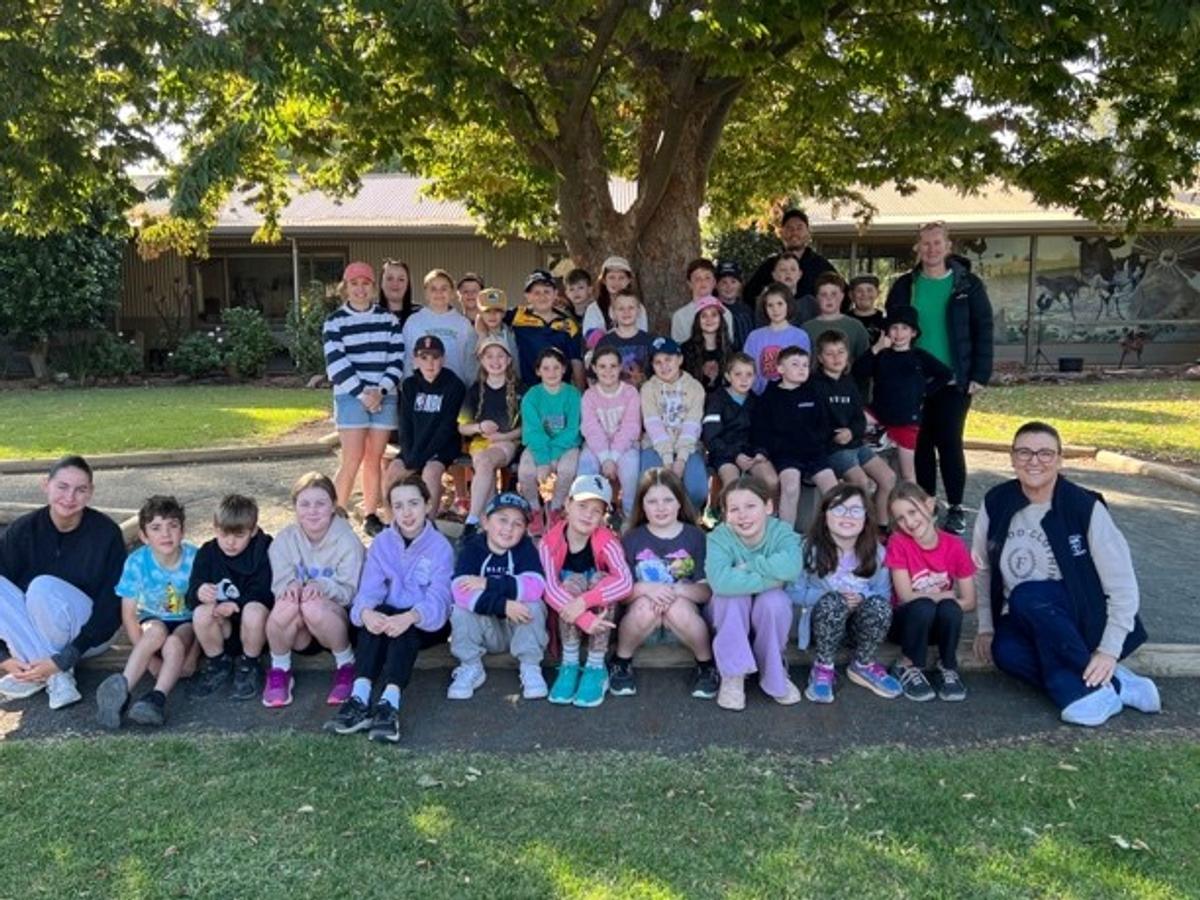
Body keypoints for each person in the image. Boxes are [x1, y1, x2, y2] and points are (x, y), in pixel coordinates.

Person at [970, 421, 1159, 727]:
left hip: (1080, 618)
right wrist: (986, 627)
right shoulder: (996, 502)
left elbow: (1123, 585)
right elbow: (982, 568)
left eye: (1045, 453)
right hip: (1024, 617)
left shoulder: (1084, 507)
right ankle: (1116, 685)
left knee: (1028, 595)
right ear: (1012, 458)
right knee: (1005, 652)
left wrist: (1108, 651)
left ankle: (1090, 688)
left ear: (1060, 460)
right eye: (1024, 452)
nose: (1034, 461)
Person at [326, 475, 453, 742]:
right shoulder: (382, 542)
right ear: (390, 510)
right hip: (388, 619)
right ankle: (360, 697)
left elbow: (440, 599)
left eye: (413, 503)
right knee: (376, 615)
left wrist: (412, 616)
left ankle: (390, 702)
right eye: (398, 506)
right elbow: (368, 590)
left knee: (401, 622)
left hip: (426, 622)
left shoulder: (440, 547)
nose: (406, 513)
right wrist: (365, 612)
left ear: (428, 505)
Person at [886, 221, 994, 535]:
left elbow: (983, 328)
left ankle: (956, 506)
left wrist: (979, 374)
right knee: (920, 443)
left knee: (949, 441)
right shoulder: (905, 285)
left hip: (953, 379)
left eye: (937, 243)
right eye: (925, 243)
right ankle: (927, 504)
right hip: (915, 380)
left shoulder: (967, 285)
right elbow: (892, 327)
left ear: (948, 247)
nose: (931, 249)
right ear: (917, 248)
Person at [0, 455, 125, 709]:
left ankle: (51, 672)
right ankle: (53, 677)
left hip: (90, 636)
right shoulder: (23, 531)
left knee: (42, 587)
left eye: (80, 489)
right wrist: (3, 657)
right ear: (46, 485)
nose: (70, 497)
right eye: (62, 487)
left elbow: (111, 606)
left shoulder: (106, 534)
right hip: (36, 630)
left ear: (91, 492)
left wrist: (67, 656)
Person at [790, 485, 901, 704]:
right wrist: (828, 594)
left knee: (879, 606)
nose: (847, 516)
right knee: (833, 601)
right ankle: (823, 667)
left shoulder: (876, 552)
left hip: (857, 628)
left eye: (855, 510)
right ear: (825, 516)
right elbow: (792, 592)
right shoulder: (807, 548)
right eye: (838, 509)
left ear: (866, 518)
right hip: (820, 625)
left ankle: (863, 664)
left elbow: (884, 594)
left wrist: (862, 597)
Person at [262, 472, 365, 709]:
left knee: (313, 604)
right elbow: (279, 584)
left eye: (320, 503)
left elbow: (349, 591)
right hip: (298, 630)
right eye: (305, 504)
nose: (313, 511)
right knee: (285, 603)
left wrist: (322, 586)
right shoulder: (284, 541)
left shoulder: (347, 541)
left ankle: (346, 664)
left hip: (333, 621)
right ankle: (280, 669)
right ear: (295, 507)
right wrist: (291, 586)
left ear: (333, 506)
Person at [612, 469, 717, 699]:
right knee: (645, 606)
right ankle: (621, 662)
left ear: (680, 502)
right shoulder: (631, 539)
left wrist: (675, 591)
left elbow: (706, 590)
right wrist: (648, 589)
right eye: (652, 501)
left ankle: (706, 665)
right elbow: (621, 593)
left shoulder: (696, 537)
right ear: (642, 506)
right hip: (641, 625)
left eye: (668, 500)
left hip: (684, 625)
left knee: (677, 606)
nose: (661, 507)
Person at [95, 496, 199, 728]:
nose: (166, 534)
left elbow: (204, 611)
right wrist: (151, 663)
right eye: (156, 528)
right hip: (152, 618)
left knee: (174, 644)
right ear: (143, 536)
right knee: (155, 632)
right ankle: (122, 690)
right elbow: (129, 615)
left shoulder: (195, 558)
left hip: (185, 621)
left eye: (173, 526)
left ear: (182, 531)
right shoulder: (137, 562)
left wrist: (192, 657)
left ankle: (156, 699)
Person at [705, 475, 802, 711]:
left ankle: (774, 671)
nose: (743, 515)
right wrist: (772, 578)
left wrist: (749, 566)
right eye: (734, 509)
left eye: (750, 506)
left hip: (765, 610)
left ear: (768, 506)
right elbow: (720, 582)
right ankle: (733, 675)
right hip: (729, 611)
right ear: (726, 515)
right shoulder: (719, 537)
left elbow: (792, 567)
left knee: (775, 601)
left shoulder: (781, 532)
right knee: (731, 598)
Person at [323, 261, 405, 530]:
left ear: (373, 287)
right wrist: (362, 394)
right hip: (351, 395)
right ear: (345, 287)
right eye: (354, 284)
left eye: (365, 283)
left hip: (384, 395)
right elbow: (336, 364)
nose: (360, 289)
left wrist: (380, 391)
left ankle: (370, 514)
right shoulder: (335, 321)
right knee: (352, 458)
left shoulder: (388, 320)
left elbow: (397, 360)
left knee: (374, 458)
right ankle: (334, 516)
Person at [539, 475, 632, 708]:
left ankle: (595, 666)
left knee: (602, 580)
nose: (588, 515)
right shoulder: (549, 542)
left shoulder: (607, 541)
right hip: (568, 615)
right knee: (570, 584)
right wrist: (581, 616)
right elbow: (548, 588)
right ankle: (570, 663)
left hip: (601, 615)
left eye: (596, 510)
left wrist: (585, 602)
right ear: (568, 504)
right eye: (582, 505)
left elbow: (625, 582)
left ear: (603, 517)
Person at [448, 492, 549, 701]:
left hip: (518, 627)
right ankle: (470, 665)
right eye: (502, 520)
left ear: (525, 530)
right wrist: (503, 605)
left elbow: (536, 586)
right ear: (485, 522)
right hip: (486, 631)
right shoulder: (473, 547)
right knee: (459, 609)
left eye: (517, 524)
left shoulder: (525, 548)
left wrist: (488, 584)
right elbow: (460, 590)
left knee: (533, 604)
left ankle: (530, 665)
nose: (508, 528)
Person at [885, 482, 975, 702]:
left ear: (929, 504)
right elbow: (906, 597)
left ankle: (948, 667)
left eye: (912, 512)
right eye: (900, 518)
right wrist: (944, 596)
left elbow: (969, 601)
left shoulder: (954, 545)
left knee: (949, 609)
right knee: (924, 606)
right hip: (905, 624)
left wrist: (948, 602)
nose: (909, 522)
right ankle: (907, 665)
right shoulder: (898, 542)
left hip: (936, 626)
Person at [186, 494, 275, 701]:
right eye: (224, 534)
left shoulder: (263, 550)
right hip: (222, 628)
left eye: (239, 535)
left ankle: (250, 664)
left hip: (256, 630)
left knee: (254, 611)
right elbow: (190, 595)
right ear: (215, 528)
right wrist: (199, 591)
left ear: (253, 531)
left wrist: (235, 605)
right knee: (201, 613)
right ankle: (217, 662)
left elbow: (265, 591)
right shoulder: (207, 552)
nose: (230, 542)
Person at [851, 307, 953, 484]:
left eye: (905, 328)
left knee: (907, 474)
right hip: (879, 414)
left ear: (913, 333)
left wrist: (923, 392)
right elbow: (858, 371)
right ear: (887, 331)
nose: (899, 333)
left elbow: (945, 374)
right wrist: (877, 348)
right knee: (853, 422)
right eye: (894, 328)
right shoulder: (881, 355)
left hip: (906, 420)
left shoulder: (919, 356)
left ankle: (910, 500)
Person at [811, 331, 896, 527]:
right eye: (830, 353)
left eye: (841, 352)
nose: (836, 358)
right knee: (861, 482)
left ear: (847, 355)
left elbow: (859, 418)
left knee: (888, 478)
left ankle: (881, 526)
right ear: (820, 358)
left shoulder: (849, 382)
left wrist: (852, 432)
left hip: (855, 443)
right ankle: (858, 527)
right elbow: (814, 422)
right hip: (833, 448)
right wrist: (834, 436)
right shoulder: (814, 385)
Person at [752, 347, 838, 527]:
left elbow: (825, 423)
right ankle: (786, 535)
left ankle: (833, 534)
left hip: (814, 452)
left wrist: (821, 444)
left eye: (805, 365)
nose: (801, 369)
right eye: (795, 364)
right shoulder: (769, 397)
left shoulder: (814, 392)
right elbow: (761, 429)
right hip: (786, 454)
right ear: (780, 369)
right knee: (790, 487)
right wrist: (762, 451)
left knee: (833, 490)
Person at [386, 335, 467, 517]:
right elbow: (405, 424)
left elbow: (446, 428)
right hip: (414, 446)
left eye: (435, 357)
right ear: (415, 359)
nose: (430, 363)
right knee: (393, 471)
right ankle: (392, 523)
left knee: (430, 472)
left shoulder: (454, 385)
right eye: (424, 357)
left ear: (443, 359)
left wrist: (419, 460)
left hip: (442, 446)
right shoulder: (410, 385)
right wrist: (409, 456)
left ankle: (427, 523)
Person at [458, 337, 524, 543]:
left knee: (485, 462)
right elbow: (462, 426)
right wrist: (479, 427)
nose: (495, 361)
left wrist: (504, 436)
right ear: (481, 360)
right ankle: (489, 529)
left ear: (509, 359)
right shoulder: (476, 390)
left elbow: (526, 427)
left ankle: (472, 521)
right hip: (480, 443)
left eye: (500, 356)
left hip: (507, 442)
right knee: (483, 465)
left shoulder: (520, 389)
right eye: (489, 356)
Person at [518, 347, 582, 536]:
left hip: (567, 445)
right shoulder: (532, 396)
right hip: (538, 446)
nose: (551, 373)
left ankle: (556, 508)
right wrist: (543, 460)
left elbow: (572, 429)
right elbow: (533, 431)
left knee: (567, 469)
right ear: (538, 371)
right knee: (526, 471)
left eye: (556, 367)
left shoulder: (573, 394)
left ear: (564, 369)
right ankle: (534, 510)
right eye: (546, 368)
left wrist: (553, 456)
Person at [640, 337, 708, 511]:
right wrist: (668, 460)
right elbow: (653, 424)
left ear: (680, 359)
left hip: (688, 446)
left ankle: (687, 518)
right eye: (658, 362)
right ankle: (654, 520)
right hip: (656, 446)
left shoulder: (695, 388)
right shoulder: (648, 389)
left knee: (697, 490)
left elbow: (692, 424)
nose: (664, 366)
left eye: (668, 359)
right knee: (651, 487)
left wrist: (681, 459)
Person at [579, 345, 642, 523]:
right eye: (602, 366)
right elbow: (591, 428)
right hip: (596, 447)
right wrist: (604, 457)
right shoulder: (589, 396)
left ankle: (629, 515)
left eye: (613, 366)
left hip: (625, 446)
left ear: (620, 367)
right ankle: (590, 515)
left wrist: (613, 457)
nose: (608, 371)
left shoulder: (630, 393)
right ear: (594, 368)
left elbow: (630, 427)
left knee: (630, 468)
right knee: (586, 467)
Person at [703, 353, 778, 491]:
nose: (744, 379)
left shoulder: (757, 402)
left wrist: (760, 453)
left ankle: (767, 506)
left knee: (771, 481)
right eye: (738, 374)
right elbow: (711, 437)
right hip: (724, 453)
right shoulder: (716, 400)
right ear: (728, 376)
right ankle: (728, 505)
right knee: (733, 484)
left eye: (749, 374)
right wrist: (735, 455)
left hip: (750, 453)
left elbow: (763, 433)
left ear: (755, 377)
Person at [743, 209, 835, 320]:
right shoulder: (769, 266)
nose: (794, 233)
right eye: (789, 228)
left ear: (808, 232)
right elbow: (748, 296)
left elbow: (841, 296)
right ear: (782, 233)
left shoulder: (821, 266)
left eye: (799, 228)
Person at [509, 268, 585, 387]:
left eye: (546, 291)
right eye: (536, 293)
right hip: (527, 389)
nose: (542, 296)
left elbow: (576, 362)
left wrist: (579, 392)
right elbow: (489, 314)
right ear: (527, 296)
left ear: (555, 293)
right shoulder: (517, 315)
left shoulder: (568, 324)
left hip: (559, 390)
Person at [402, 269, 477, 385]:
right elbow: (407, 359)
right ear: (426, 293)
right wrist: (408, 387)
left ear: (452, 292)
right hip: (421, 390)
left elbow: (470, 363)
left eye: (444, 288)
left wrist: (470, 388)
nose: (439, 293)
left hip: (455, 390)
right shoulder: (413, 322)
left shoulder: (463, 324)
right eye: (433, 289)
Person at [742, 282, 810, 394]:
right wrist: (758, 391)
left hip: (791, 395)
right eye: (770, 305)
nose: (775, 309)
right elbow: (747, 367)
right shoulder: (754, 337)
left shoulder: (800, 336)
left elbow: (803, 369)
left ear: (788, 305)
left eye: (780, 304)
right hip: (759, 396)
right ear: (764, 308)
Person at [800, 272, 870, 364]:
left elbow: (865, 362)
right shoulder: (806, 329)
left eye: (834, 294)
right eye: (824, 294)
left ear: (842, 296)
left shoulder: (856, 327)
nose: (829, 299)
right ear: (817, 298)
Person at [582, 256, 648, 350]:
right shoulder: (594, 309)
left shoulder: (639, 309)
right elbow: (591, 340)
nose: (616, 282)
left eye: (621, 278)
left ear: (629, 280)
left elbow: (641, 338)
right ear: (604, 280)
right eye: (611, 277)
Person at [594, 291, 655, 387]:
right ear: (613, 312)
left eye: (631, 308)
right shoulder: (604, 342)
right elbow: (594, 377)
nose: (626, 312)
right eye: (621, 308)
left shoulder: (650, 340)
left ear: (639, 311)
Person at [670, 258, 734, 344]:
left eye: (707, 278)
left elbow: (727, 345)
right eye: (697, 278)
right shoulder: (679, 316)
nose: (703, 282)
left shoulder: (725, 313)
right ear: (689, 284)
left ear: (714, 282)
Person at [681, 295, 732, 393]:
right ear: (698, 320)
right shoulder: (686, 350)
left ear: (721, 319)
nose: (709, 319)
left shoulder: (731, 350)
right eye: (704, 316)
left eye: (714, 315)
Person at [473, 287, 520, 366]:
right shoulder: (472, 336)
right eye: (487, 311)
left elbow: (517, 365)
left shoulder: (514, 334)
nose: (492, 315)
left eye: (497, 311)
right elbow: (470, 367)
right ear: (480, 313)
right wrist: (482, 337)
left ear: (504, 313)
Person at [715, 260, 755, 350]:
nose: (729, 286)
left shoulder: (747, 311)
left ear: (740, 284)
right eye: (724, 282)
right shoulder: (712, 310)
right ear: (716, 285)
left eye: (733, 282)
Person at [845, 274, 887, 344]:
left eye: (869, 290)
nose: (864, 294)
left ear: (877, 293)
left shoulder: (885, 321)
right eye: (859, 290)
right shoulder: (844, 322)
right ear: (851, 295)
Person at [378, 258, 418, 328]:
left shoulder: (420, 314)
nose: (395, 283)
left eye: (401, 279)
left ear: (408, 284)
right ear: (381, 283)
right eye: (389, 278)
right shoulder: (370, 314)